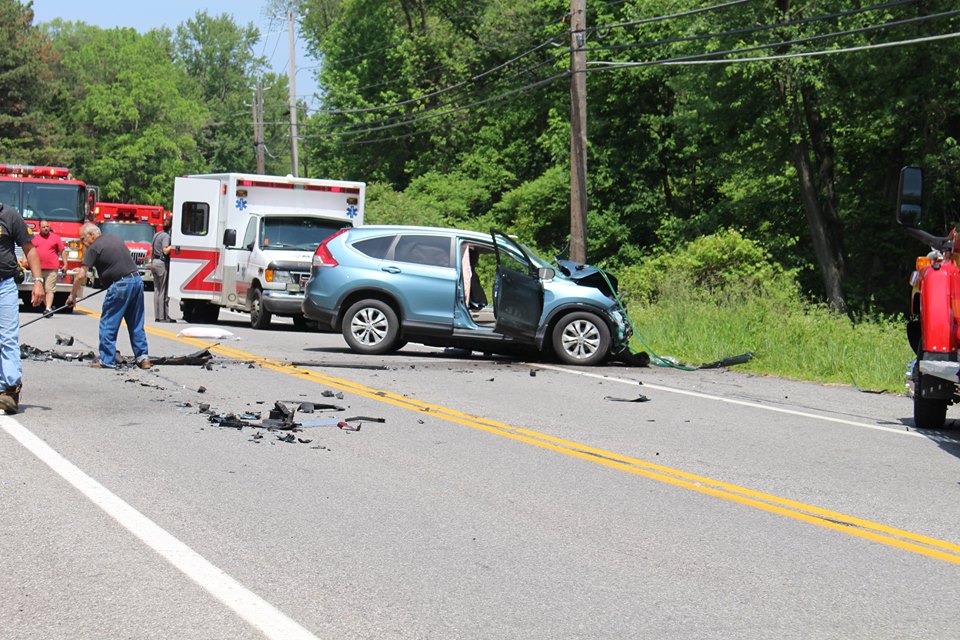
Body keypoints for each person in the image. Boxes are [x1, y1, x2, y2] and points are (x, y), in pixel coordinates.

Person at [66, 222, 152, 370]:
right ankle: (143, 358)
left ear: (92, 235)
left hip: (120, 284)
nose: (82, 243)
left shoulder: (94, 247)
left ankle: (107, 360)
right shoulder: (114, 238)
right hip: (136, 280)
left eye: (82, 239)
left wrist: (72, 296)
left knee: (109, 323)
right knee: (136, 322)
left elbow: (80, 275)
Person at [0, 203, 44, 413]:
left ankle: (9, 390)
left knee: (7, 337)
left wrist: (38, 281)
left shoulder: (9, 215)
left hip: (4, 285)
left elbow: (30, 249)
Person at [29, 219, 67, 316]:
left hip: (52, 268)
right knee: (42, 289)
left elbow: (62, 251)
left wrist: (65, 264)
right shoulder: (34, 238)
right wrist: (25, 259)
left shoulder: (56, 238)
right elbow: (28, 249)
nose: (46, 228)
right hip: (38, 269)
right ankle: (47, 308)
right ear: (39, 228)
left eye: (47, 227)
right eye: (44, 227)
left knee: (49, 288)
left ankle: (48, 308)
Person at [149, 217, 174, 322]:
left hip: (154, 262)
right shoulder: (166, 236)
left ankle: (157, 316)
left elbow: (151, 249)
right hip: (161, 263)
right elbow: (165, 250)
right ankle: (163, 316)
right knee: (163, 290)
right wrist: (173, 246)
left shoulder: (156, 235)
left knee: (157, 290)